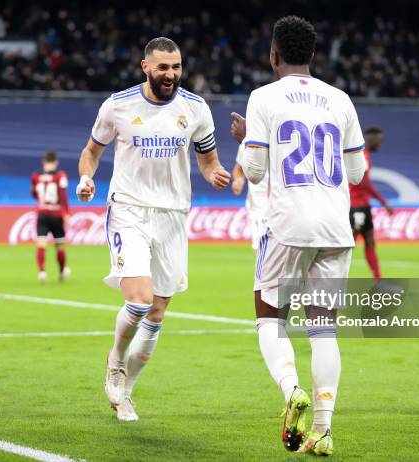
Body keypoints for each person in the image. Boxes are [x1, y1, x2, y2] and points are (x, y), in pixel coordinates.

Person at [75, 37, 230, 422]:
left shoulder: (195, 109)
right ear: (146, 67)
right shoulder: (118, 105)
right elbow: (92, 151)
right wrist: (85, 178)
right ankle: (115, 361)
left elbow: (208, 160)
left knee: (158, 313)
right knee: (140, 300)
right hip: (129, 210)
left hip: (173, 215)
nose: (171, 74)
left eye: (176, 67)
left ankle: (125, 393)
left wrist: (215, 175)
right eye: (163, 67)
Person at [237, 16, 365, 456]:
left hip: (289, 226)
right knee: (323, 331)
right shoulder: (340, 99)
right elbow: (357, 171)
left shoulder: (263, 98)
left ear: (274, 54)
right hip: (336, 227)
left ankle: (292, 391)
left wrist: (250, 141)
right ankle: (324, 431)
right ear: (313, 55)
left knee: (270, 319)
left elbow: (253, 171)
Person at [349, 126, 393, 281]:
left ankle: (379, 280)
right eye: (379, 141)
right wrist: (383, 201)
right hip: (356, 207)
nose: (380, 144)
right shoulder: (362, 155)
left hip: (363, 206)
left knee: (369, 242)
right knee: (348, 247)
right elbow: (364, 183)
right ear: (371, 138)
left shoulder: (363, 154)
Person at [31, 150, 71, 283]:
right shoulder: (60, 175)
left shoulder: (36, 176)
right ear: (56, 162)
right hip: (56, 214)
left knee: (41, 244)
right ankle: (61, 272)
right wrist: (66, 213)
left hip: (42, 213)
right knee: (60, 245)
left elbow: (34, 194)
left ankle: (42, 272)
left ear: (44, 162)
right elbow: (63, 195)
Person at [230, 113, 269, 252]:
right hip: (259, 209)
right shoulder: (250, 142)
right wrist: (239, 180)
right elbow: (239, 169)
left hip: (280, 209)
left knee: (268, 267)